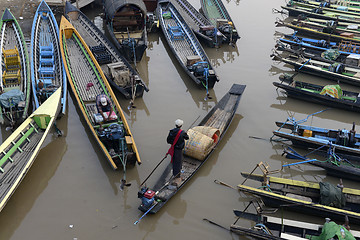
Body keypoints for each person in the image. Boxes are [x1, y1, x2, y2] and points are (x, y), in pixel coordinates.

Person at [167, 119, 189, 187]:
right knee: (178, 162)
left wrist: (173, 144)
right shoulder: (182, 132)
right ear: (181, 125)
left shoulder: (171, 131)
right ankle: (177, 176)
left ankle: (175, 173)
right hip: (178, 150)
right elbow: (187, 138)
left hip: (173, 149)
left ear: (175, 125)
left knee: (174, 161)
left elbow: (168, 140)